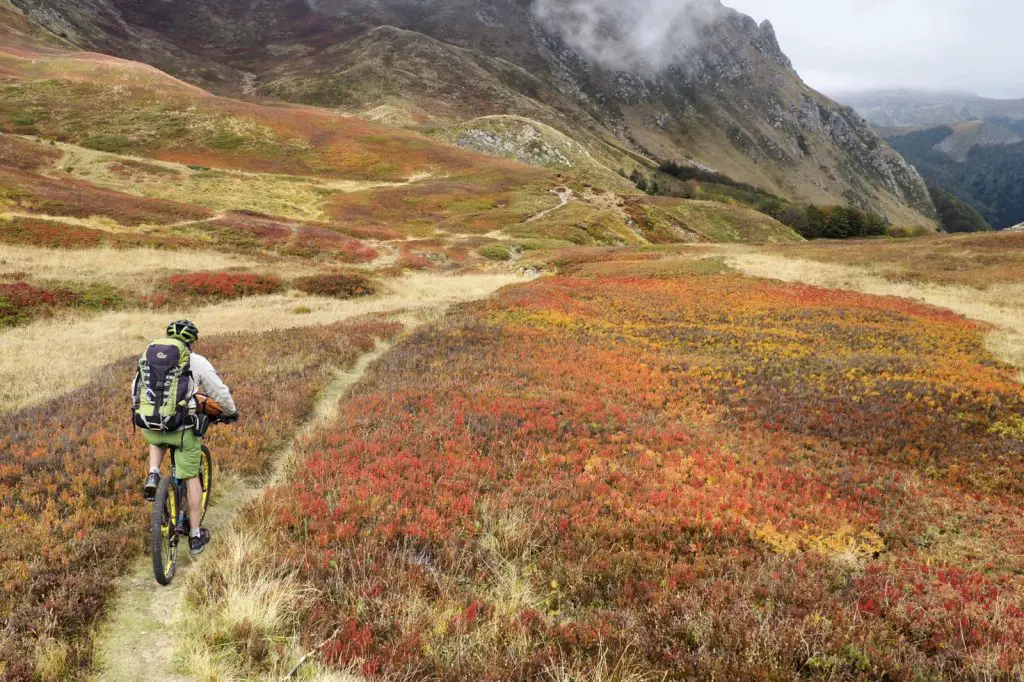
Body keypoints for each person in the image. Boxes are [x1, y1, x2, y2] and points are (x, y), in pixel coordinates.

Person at [136, 320, 238, 555]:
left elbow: (138, 389)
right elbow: (219, 392)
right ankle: (194, 536)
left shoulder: (150, 358)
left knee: (157, 435)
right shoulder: (197, 362)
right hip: (182, 429)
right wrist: (231, 412)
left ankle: (153, 473)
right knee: (191, 476)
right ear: (192, 342)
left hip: (149, 424)